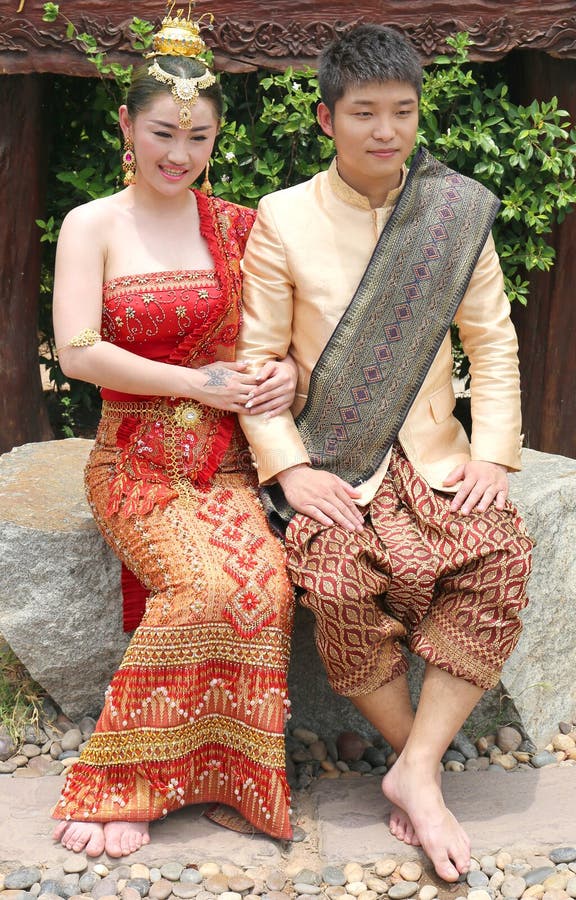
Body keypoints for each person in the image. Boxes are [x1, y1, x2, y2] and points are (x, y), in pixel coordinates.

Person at [237, 24, 534, 883]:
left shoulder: (454, 211)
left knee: (502, 553)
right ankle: (423, 767)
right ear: (327, 118)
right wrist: (291, 468)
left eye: (401, 112)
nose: (385, 131)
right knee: (333, 575)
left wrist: (495, 457)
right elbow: (260, 362)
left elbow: (495, 342)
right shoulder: (283, 217)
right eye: (364, 113)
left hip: (435, 454)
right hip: (334, 459)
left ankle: (414, 769)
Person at [51, 5, 297, 859]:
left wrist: (284, 374)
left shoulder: (239, 227)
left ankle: (226, 775)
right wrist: (197, 382)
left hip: (225, 465)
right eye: (162, 132)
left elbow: (287, 337)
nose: (179, 154)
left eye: (197, 137)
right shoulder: (93, 224)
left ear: (216, 136)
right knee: (200, 587)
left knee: (263, 589)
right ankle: (122, 778)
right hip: (136, 462)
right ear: (126, 124)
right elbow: (79, 351)